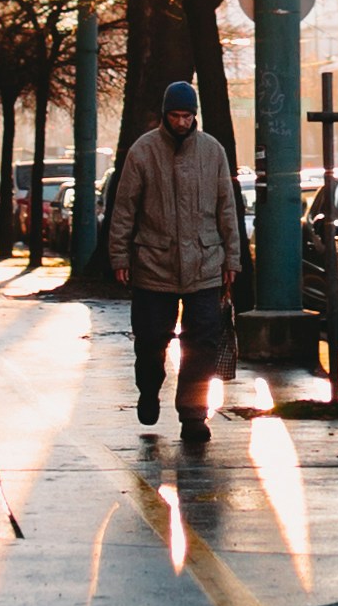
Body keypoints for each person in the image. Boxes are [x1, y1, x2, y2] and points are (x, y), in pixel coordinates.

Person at [104, 72, 247, 454]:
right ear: (165, 115)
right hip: (154, 264)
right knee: (151, 339)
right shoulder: (143, 152)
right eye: (176, 116)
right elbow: (125, 209)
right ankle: (148, 388)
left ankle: (193, 414)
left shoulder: (212, 151)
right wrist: (119, 255)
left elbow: (226, 209)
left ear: (194, 116)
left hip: (205, 263)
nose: (182, 122)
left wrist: (232, 258)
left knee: (201, 342)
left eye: (188, 116)